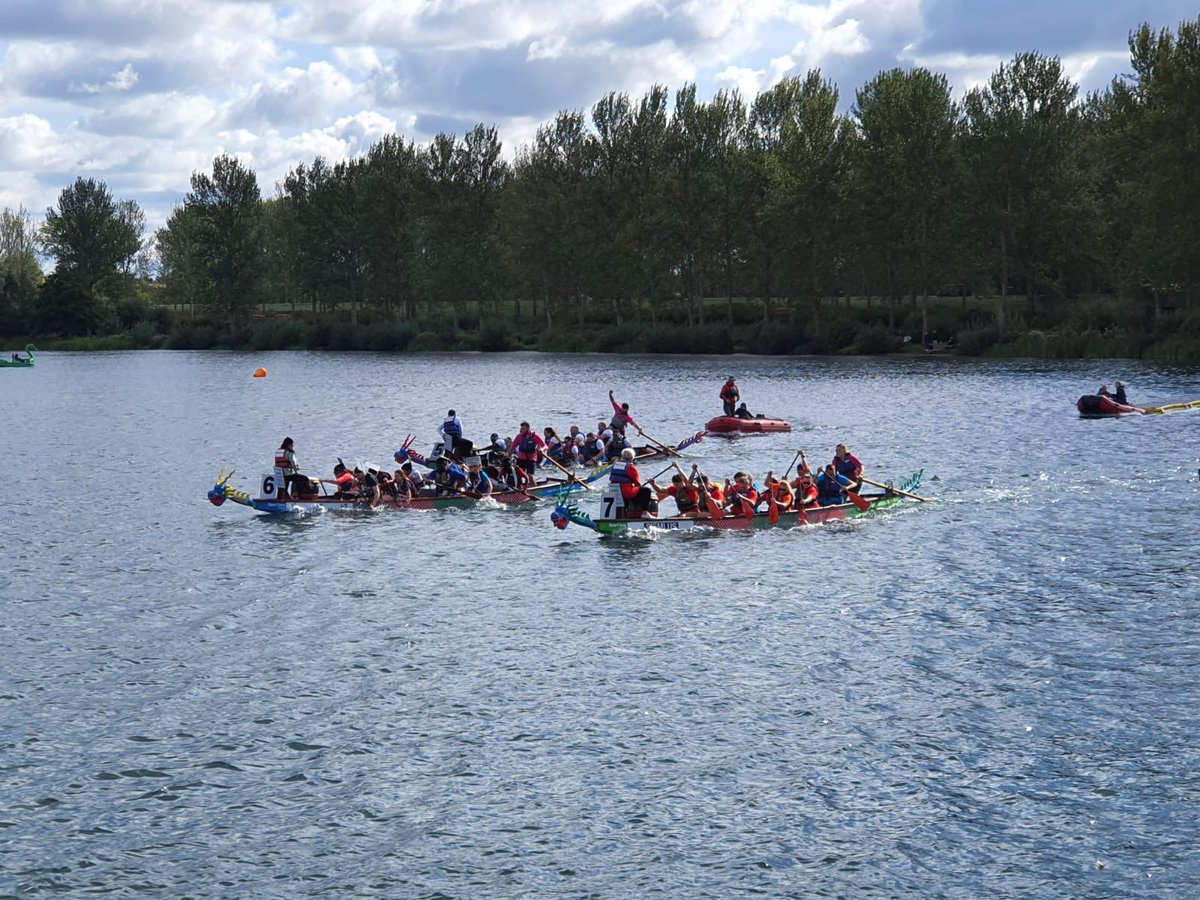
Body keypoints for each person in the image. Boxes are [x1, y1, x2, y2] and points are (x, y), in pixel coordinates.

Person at [609, 447, 656, 517]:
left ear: (622, 456)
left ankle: (624, 513)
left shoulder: (614, 466)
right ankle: (644, 513)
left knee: (629, 491)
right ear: (632, 458)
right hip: (626, 492)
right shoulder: (631, 468)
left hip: (614, 490)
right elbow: (637, 483)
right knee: (646, 491)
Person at [510, 422, 546, 486]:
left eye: (523, 429)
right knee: (518, 475)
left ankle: (535, 489)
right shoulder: (519, 436)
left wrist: (542, 449)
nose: (521, 430)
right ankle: (519, 489)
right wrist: (508, 457)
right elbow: (512, 447)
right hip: (521, 459)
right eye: (521, 429)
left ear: (528, 429)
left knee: (530, 476)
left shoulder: (535, 437)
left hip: (531, 459)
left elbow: (545, 446)